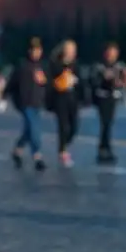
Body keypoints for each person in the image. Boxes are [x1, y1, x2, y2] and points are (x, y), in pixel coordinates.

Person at [5, 37, 47, 171]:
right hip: (25, 102)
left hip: (37, 102)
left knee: (29, 130)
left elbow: (46, 84)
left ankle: (17, 150)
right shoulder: (22, 65)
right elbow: (12, 82)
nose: (36, 53)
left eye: (38, 50)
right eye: (34, 50)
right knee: (34, 129)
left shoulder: (42, 66)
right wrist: (5, 95)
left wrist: (44, 83)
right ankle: (37, 156)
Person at [91, 42, 125, 164]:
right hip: (102, 97)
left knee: (109, 123)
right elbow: (93, 81)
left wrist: (119, 82)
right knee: (105, 123)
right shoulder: (99, 66)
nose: (112, 55)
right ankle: (104, 149)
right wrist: (103, 79)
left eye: (114, 53)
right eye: (110, 52)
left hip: (113, 97)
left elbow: (122, 81)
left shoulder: (119, 66)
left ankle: (106, 148)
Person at [49, 39, 80, 167]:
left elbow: (79, 81)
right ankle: (62, 151)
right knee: (63, 125)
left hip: (72, 98)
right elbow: (52, 80)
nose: (71, 52)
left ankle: (64, 144)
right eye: (69, 49)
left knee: (74, 126)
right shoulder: (56, 64)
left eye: (73, 50)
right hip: (60, 98)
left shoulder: (75, 64)